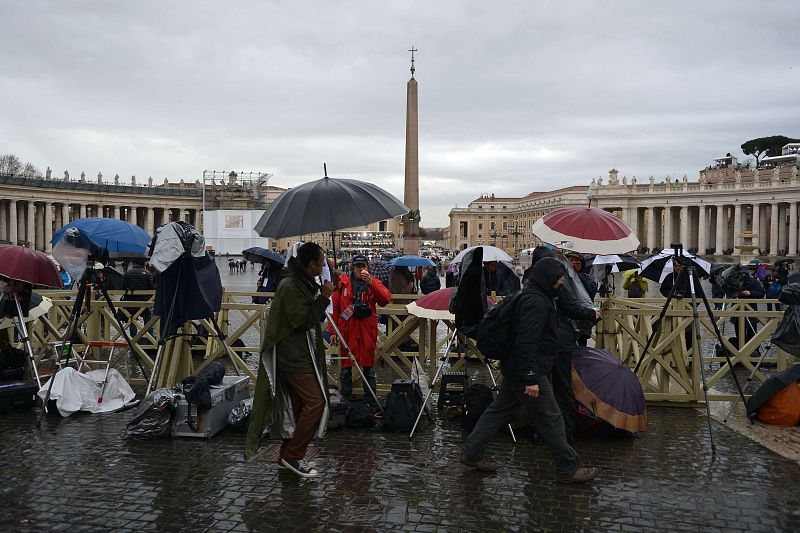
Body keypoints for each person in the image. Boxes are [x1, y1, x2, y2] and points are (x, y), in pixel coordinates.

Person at [459, 257, 599, 484]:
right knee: (551, 417)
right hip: (528, 371)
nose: (562, 281)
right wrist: (531, 377)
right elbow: (525, 342)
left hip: (516, 368)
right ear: (548, 278)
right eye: (559, 277)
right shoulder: (536, 303)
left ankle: (472, 452)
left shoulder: (533, 296)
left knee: (499, 410)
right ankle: (568, 467)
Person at [245, 242, 334, 478]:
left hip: (298, 353)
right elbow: (302, 321)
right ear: (310, 264)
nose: (323, 267)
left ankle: (286, 456)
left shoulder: (300, 282)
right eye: (321, 263)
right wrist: (324, 298)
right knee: (315, 402)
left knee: (299, 406)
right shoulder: (292, 285)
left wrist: (319, 293)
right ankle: (293, 455)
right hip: (293, 355)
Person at [330, 254, 391, 410]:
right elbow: (334, 309)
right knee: (345, 368)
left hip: (366, 330)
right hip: (347, 330)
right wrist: (332, 331)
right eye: (358, 266)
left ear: (367, 268)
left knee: (368, 368)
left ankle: (371, 401)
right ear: (352, 268)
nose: (360, 269)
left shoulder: (373, 282)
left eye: (363, 266)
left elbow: (385, 299)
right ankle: (345, 402)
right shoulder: (342, 283)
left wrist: (371, 283)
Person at [122, 260, 154, 337]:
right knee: (147, 317)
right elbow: (151, 288)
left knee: (132, 318)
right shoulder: (147, 273)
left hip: (130, 301)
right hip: (144, 301)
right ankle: (149, 336)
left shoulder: (127, 273)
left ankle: (133, 338)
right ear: (143, 264)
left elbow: (123, 288)